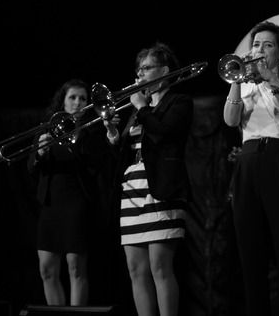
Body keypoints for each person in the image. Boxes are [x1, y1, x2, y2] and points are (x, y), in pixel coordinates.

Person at [223, 21, 279, 316]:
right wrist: (236, 80)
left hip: (278, 159)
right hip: (247, 162)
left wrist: (272, 81)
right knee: (249, 252)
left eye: (267, 45)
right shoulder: (245, 84)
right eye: (256, 45)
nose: (259, 50)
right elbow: (230, 121)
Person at [103, 42, 193, 316]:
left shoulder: (179, 102)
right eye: (138, 69)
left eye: (146, 68)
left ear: (164, 70)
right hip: (132, 190)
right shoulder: (136, 110)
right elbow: (129, 149)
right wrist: (112, 135)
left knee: (159, 266)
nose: (139, 75)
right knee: (135, 269)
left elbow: (164, 133)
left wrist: (143, 108)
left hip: (161, 189)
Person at [28, 79, 109, 306]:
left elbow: (95, 164)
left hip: (76, 203)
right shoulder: (47, 128)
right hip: (50, 204)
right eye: (72, 97)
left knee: (76, 268)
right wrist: (40, 154)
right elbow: (31, 169)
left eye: (83, 98)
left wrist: (80, 135)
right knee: (46, 270)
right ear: (62, 101)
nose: (77, 102)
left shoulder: (92, 129)